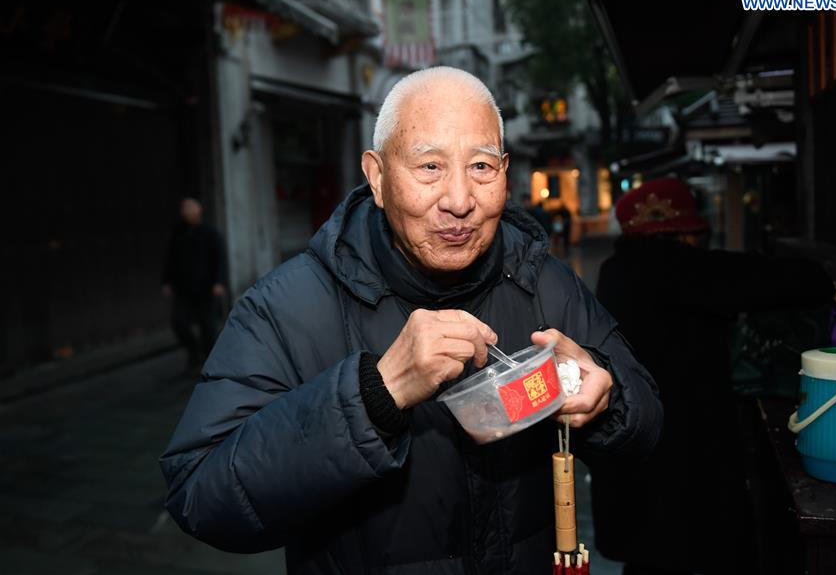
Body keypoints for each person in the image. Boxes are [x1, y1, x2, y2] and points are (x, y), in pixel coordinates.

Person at [159, 67, 663, 575]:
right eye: (430, 167)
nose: (460, 200)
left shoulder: (547, 283)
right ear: (377, 177)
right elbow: (200, 495)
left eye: (482, 167)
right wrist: (375, 396)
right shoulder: (287, 307)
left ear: (506, 172)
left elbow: (649, 425)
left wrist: (608, 400)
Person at [588, 177, 836, 575]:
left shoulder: (619, 270)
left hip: (638, 444)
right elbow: (745, 275)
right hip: (676, 450)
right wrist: (826, 286)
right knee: (681, 546)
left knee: (650, 555)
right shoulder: (672, 268)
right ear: (682, 232)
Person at [161, 197, 227, 373]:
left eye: (189, 207)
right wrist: (166, 281)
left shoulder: (210, 232)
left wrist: (219, 282)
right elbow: (170, 258)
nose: (185, 211)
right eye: (183, 208)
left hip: (206, 288)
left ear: (199, 210)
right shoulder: (178, 232)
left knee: (208, 328)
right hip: (183, 288)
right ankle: (194, 352)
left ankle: (211, 364)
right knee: (178, 322)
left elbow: (219, 258)